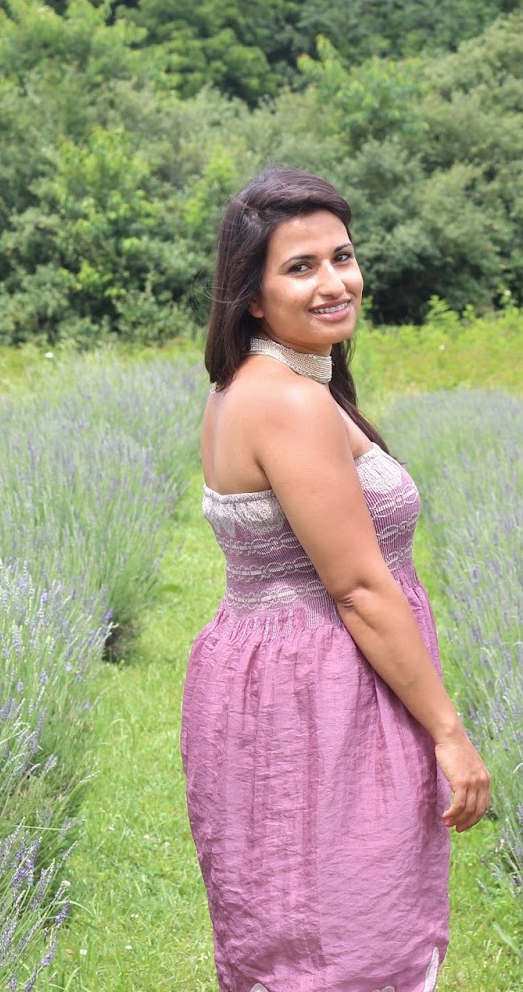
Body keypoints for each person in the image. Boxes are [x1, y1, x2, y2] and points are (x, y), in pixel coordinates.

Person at [182, 167, 491, 991]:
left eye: (342, 257)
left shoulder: (252, 386)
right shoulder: (288, 401)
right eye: (301, 266)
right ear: (250, 294)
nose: (334, 282)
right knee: (351, 944)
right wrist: (449, 734)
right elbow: (357, 588)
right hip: (319, 693)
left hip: (278, 683)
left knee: (298, 929)